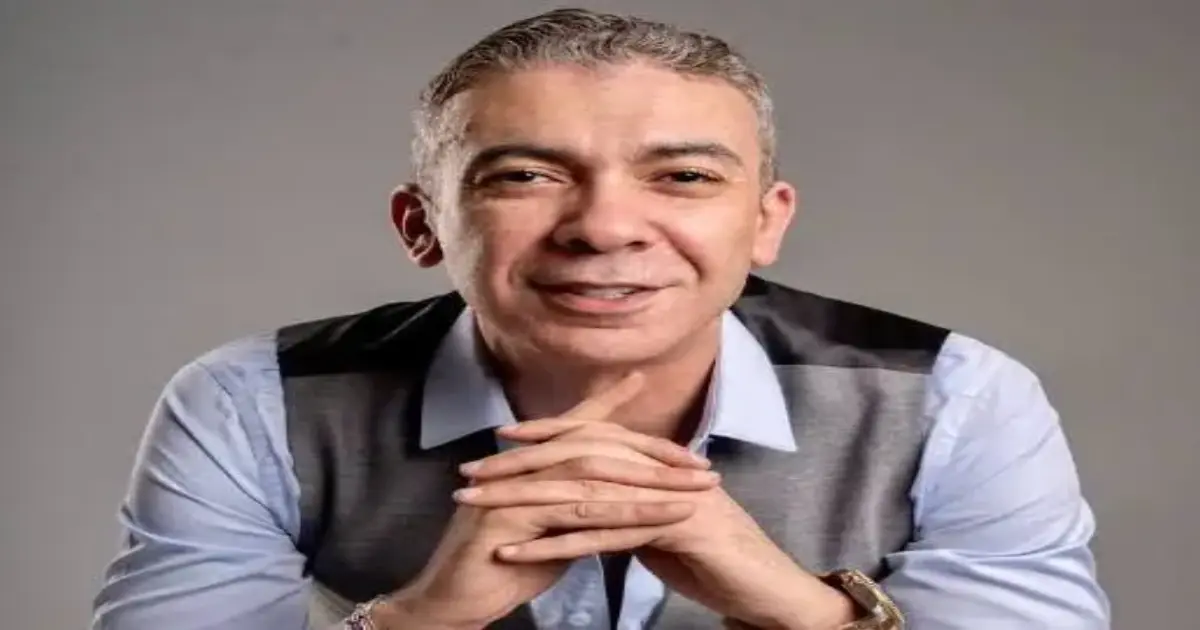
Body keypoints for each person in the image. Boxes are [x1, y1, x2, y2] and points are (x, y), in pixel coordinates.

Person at [91, 8, 1111, 630]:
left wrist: (796, 610)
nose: (605, 227)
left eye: (684, 176)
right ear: (422, 224)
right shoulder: (252, 403)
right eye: (525, 175)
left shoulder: (958, 401)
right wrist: (423, 621)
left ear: (765, 221)